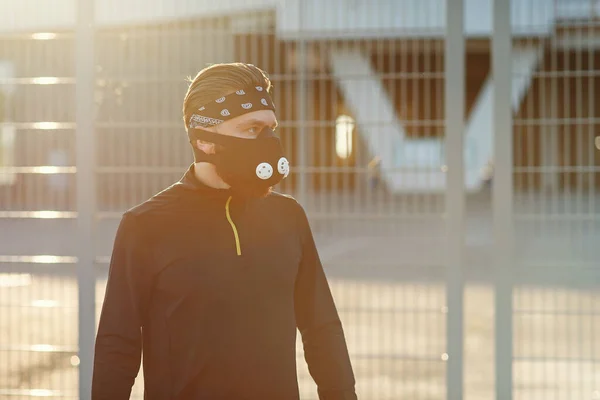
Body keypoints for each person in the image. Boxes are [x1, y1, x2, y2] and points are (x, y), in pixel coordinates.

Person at [91, 63, 357, 400]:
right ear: (204, 139)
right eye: (251, 129)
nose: (268, 141)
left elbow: (322, 327)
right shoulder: (145, 225)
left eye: (270, 129)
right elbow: (118, 343)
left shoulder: (288, 216)